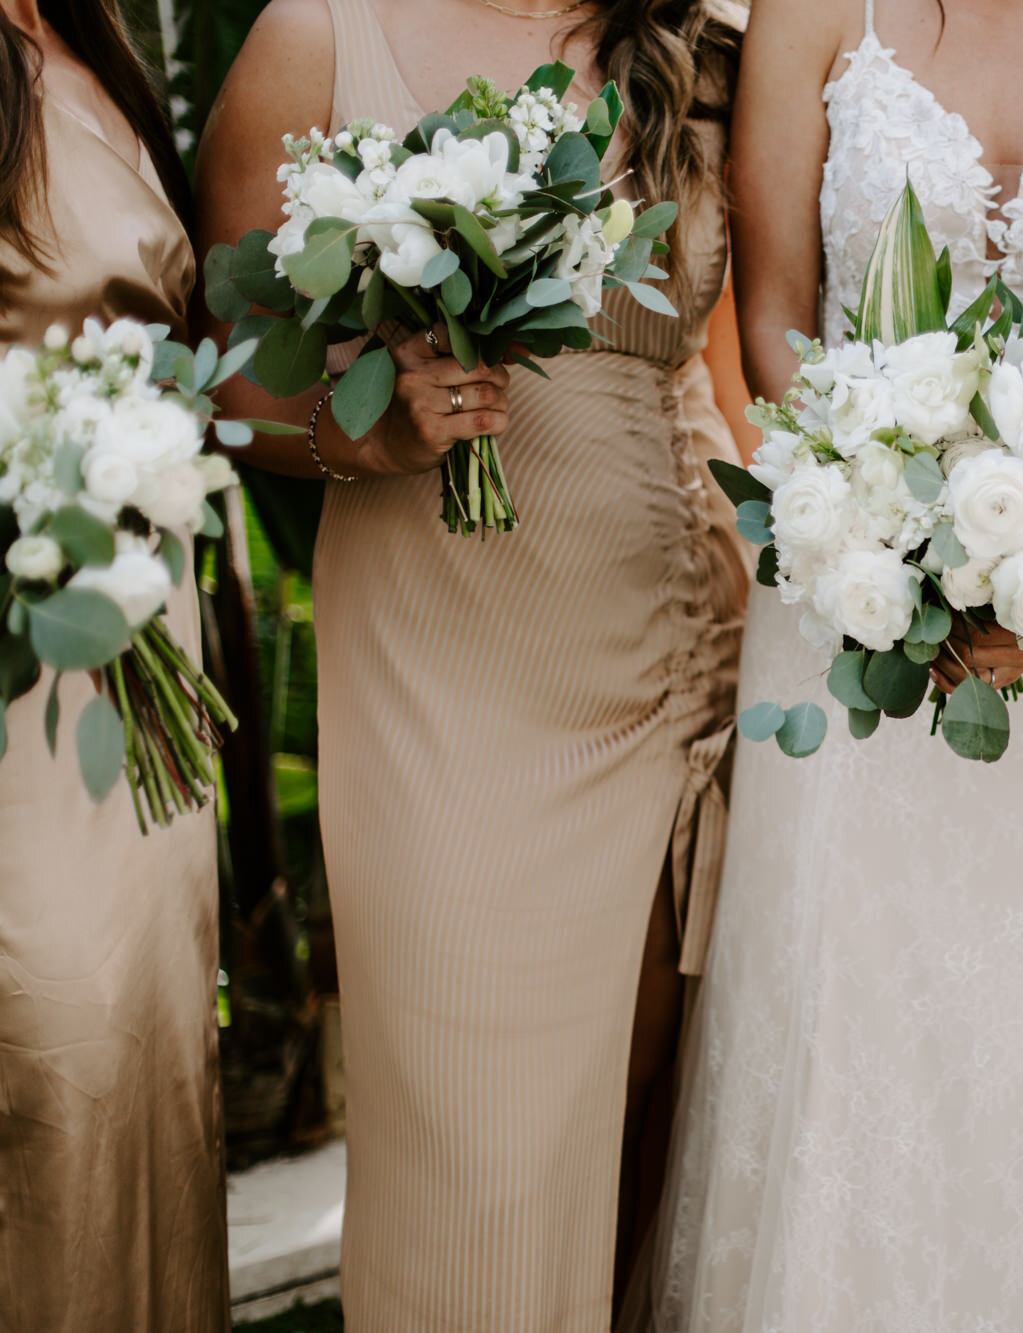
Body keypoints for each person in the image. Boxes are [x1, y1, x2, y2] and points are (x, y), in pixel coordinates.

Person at [634, 0, 1023, 1326]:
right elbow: (778, 323)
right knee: (854, 1033)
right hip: (855, 597)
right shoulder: (814, 10)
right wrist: (909, 549)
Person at [198, 0, 748, 1325]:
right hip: (446, 662)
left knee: (657, 1153)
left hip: (682, 646)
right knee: (480, 1169)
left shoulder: (704, 41)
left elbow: (744, 356)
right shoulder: (318, 38)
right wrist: (365, 430)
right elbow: (224, 373)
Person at [0, 4, 229, 1329]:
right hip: (27, 648)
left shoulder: (95, 46)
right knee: (59, 1056)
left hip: (144, 627)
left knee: (152, 1057)